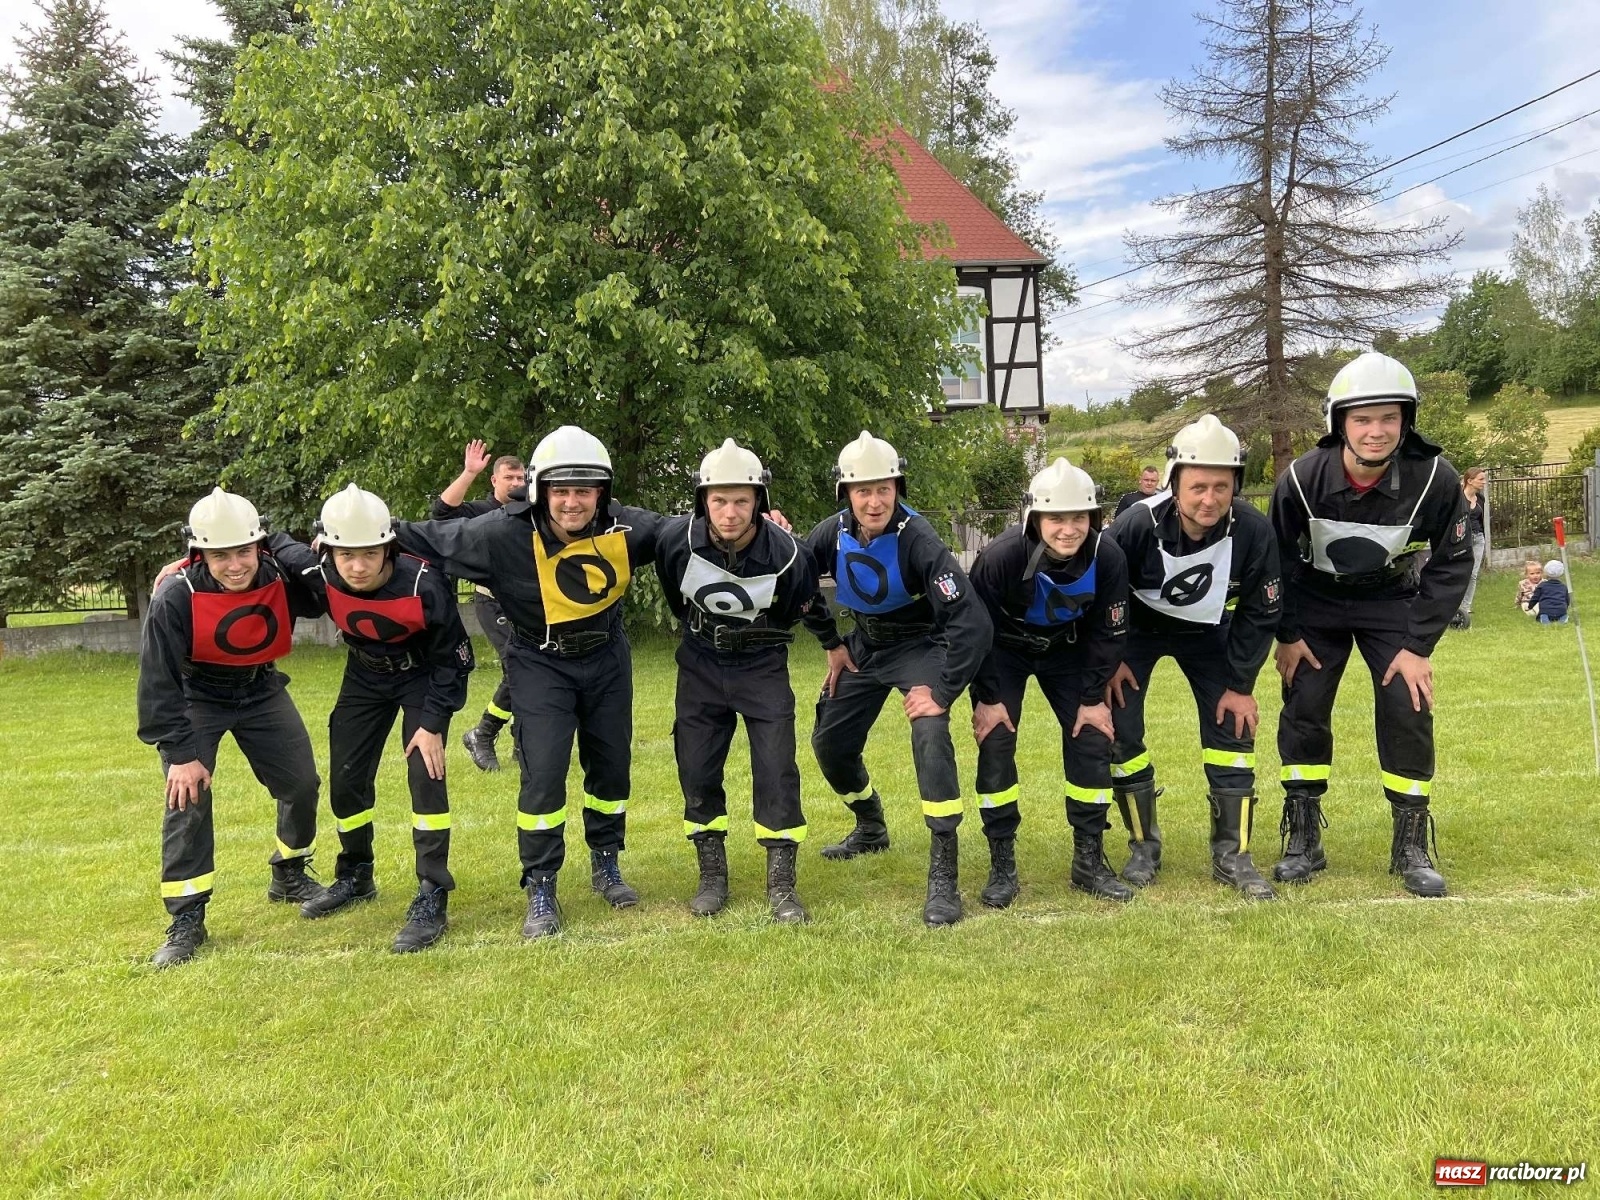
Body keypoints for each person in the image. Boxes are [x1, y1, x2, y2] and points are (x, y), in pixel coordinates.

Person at [392, 426, 663, 939]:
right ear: (540, 489)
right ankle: (541, 883)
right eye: (561, 490)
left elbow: (689, 530)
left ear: (601, 493)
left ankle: (606, 861)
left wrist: (757, 522)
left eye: (584, 490)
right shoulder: (499, 532)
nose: (572, 503)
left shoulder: (624, 527)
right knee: (542, 772)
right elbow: (428, 535)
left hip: (607, 658)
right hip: (539, 664)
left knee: (610, 765)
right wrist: (360, 529)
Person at [1270, 351, 1473, 898]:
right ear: (1339, 423)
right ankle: (1303, 840)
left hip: (1390, 603)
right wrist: (1287, 635)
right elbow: (1279, 562)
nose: (1376, 431)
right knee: (1304, 705)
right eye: (1362, 419)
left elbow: (1453, 561)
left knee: (1408, 707)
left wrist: (1417, 643)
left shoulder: (1435, 478)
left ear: (1407, 421)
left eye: (1389, 418)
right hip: (1315, 603)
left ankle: (1410, 845)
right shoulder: (1300, 478)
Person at [801, 431, 993, 927]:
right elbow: (798, 584)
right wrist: (832, 643)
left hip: (918, 646)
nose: (874, 500)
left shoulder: (919, 540)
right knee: (829, 744)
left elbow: (971, 621)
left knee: (930, 733)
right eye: (862, 490)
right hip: (864, 645)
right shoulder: (831, 533)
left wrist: (943, 690)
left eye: (884, 488)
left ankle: (944, 869)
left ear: (897, 488)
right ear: (846, 493)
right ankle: (870, 826)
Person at [136, 488, 328, 967]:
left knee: (301, 784)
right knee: (188, 800)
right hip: (197, 696)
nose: (235, 565)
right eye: (220, 555)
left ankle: (288, 872)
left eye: (244, 551)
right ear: (198, 553)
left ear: (260, 547)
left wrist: (287, 546)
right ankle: (187, 917)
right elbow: (157, 682)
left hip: (261, 689)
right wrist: (181, 755)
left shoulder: (278, 575)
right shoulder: (176, 595)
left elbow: (323, 591)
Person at [1105, 416, 1282, 900]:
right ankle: (1143, 846)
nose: (1209, 498)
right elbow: (1103, 592)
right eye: (1198, 486)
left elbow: (1261, 613)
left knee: (1232, 729)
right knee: (1121, 729)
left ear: (1235, 487)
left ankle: (1233, 855)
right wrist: (1112, 658)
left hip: (1207, 632)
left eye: (1221, 487)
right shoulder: (1136, 524)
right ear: (1174, 483)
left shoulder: (1252, 530)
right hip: (1136, 632)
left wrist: (1241, 685)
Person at [295, 485, 476, 953]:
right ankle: (356, 873)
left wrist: (433, 723)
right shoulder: (320, 571)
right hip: (364, 677)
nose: (357, 566)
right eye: (345, 554)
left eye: (369, 553)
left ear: (388, 547)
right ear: (327, 549)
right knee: (346, 778)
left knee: (425, 775)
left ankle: (432, 891)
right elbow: (268, 544)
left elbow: (454, 661)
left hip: (422, 678)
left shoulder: (423, 583)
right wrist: (189, 562)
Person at [654, 440, 818, 923]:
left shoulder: (789, 554)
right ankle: (712, 875)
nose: (729, 512)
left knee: (776, 768)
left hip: (762, 664)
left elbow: (793, 609)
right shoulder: (675, 540)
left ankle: (782, 884)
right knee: (697, 767)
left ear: (759, 503)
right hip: (700, 664)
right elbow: (676, 595)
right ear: (703, 500)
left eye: (741, 501)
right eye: (719, 500)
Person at [967, 457, 1131, 906]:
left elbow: (1111, 630)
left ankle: (1089, 859)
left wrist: (1093, 697)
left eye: (1078, 517)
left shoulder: (1108, 555)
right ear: (1034, 519)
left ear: (1093, 518)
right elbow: (973, 631)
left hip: (1069, 651)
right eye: (1055, 518)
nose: (1067, 529)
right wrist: (988, 697)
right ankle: (1002, 863)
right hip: (1004, 651)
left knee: (1093, 739)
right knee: (996, 740)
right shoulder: (999, 557)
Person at [432, 440, 527, 772]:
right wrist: (469, 472)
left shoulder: (530, 510)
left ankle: (522, 740)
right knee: (519, 667)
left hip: (526, 606)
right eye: (509, 477)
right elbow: (441, 513)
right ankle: (482, 734)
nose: (516, 483)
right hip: (492, 603)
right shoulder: (482, 512)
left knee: (533, 667)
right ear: (495, 481)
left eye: (521, 478)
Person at [1449, 466, 1487, 630]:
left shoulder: (1480, 499)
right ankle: (1451, 606)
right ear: (1469, 481)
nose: (1484, 482)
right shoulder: (1457, 499)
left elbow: (1481, 519)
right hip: (1460, 539)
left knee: (1472, 574)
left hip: (1478, 538)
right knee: (1457, 573)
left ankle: (1465, 608)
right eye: (1481, 479)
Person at [1530, 559, 1570, 624]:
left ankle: (1544, 618)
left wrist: (1530, 606)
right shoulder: (1563, 587)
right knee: (1562, 614)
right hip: (1561, 609)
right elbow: (1567, 599)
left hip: (1546, 610)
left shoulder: (1542, 586)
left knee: (1543, 614)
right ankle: (1563, 617)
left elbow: (1535, 598)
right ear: (1561, 573)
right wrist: (1565, 607)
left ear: (1545, 572)